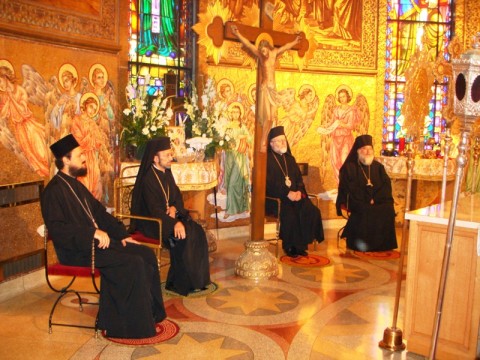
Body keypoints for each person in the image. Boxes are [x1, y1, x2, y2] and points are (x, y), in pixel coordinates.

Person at [40, 134, 166, 339]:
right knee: (132, 262)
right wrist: (92, 233)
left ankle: (151, 313)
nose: (84, 158)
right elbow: (59, 230)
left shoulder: (76, 185)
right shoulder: (53, 192)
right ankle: (127, 325)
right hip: (78, 251)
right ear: (65, 160)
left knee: (145, 254)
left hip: (98, 244)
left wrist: (122, 235)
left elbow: (100, 214)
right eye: (80, 155)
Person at [130, 137, 211, 296]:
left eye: (170, 154)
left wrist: (175, 208)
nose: (170, 158)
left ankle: (196, 281)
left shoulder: (167, 173)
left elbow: (177, 197)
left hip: (168, 218)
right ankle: (177, 283)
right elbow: (154, 211)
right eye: (166, 155)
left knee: (197, 231)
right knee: (180, 237)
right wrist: (173, 223)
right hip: (153, 223)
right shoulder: (148, 180)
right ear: (155, 158)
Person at [231, 25, 301, 152]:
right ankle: (264, 139)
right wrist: (237, 34)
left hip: (273, 89)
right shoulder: (260, 55)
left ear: (268, 48)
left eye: (265, 50)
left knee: (273, 117)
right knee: (268, 117)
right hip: (265, 89)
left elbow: (285, 47)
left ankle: (267, 137)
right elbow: (248, 44)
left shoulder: (274, 53)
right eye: (261, 51)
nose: (263, 53)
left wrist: (295, 42)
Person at [266, 126, 324, 257]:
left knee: (311, 211)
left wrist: (298, 192)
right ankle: (290, 247)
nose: (282, 143)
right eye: (279, 141)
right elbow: (269, 184)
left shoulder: (290, 159)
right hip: (277, 200)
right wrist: (287, 193)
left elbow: (298, 180)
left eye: (284, 140)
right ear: (271, 143)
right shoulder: (267, 161)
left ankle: (302, 245)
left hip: (295, 197)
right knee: (290, 214)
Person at [336, 134, 398, 252]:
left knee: (387, 209)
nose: (368, 151)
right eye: (364, 149)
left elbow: (386, 185)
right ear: (358, 151)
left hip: (376, 200)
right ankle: (360, 244)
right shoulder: (349, 168)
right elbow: (349, 188)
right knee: (365, 208)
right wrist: (367, 198)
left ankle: (383, 244)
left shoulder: (378, 167)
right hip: (356, 200)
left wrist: (376, 198)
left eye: (370, 149)